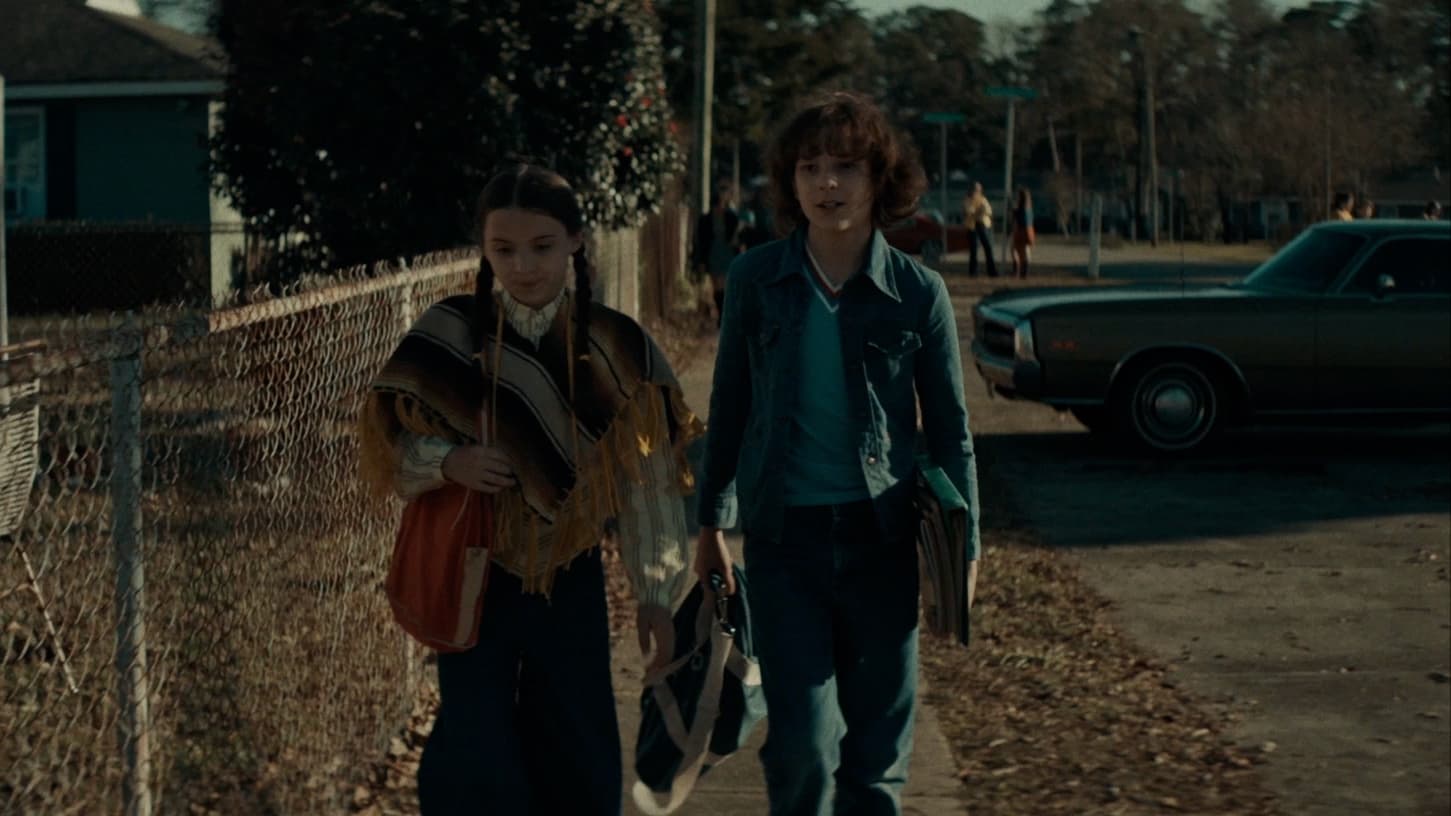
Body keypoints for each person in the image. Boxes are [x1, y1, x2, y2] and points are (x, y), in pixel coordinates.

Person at [358, 164, 701, 815]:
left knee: (578, 750)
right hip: (472, 573)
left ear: (575, 240)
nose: (522, 266)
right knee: (477, 753)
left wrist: (657, 593)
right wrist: (449, 462)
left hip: (571, 576)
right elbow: (386, 447)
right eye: (504, 249)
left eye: (542, 246)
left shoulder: (614, 345)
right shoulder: (448, 333)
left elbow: (650, 482)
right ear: (483, 248)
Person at [693, 91, 981, 816]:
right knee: (803, 746)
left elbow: (951, 432)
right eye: (809, 167)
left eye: (846, 166)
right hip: (783, 543)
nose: (826, 182)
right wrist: (710, 524)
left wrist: (966, 552)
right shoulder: (756, 280)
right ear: (789, 182)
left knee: (876, 756)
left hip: (882, 541)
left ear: (879, 177)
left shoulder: (917, 292)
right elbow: (729, 407)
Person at [694, 181, 744, 325]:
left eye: (722, 204)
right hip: (713, 253)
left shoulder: (731, 217)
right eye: (718, 204)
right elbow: (701, 241)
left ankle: (723, 315)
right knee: (716, 285)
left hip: (727, 253)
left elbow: (737, 236)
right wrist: (701, 260)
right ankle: (721, 313)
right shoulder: (705, 220)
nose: (720, 207)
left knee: (725, 284)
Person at [962, 181, 998, 277]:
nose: (977, 191)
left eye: (979, 189)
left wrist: (979, 212)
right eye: (975, 189)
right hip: (972, 226)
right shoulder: (968, 200)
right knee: (973, 249)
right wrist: (978, 212)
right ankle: (973, 272)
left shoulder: (983, 199)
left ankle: (992, 271)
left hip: (983, 226)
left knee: (988, 248)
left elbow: (988, 211)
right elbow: (969, 211)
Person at [1009, 187, 1036, 279]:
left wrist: (1013, 211)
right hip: (1028, 231)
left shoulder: (1022, 208)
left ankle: (1019, 271)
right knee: (1024, 251)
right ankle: (1023, 272)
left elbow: (1017, 218)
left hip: (1021, 231)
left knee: (1017, 250)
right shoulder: (1029, 207)